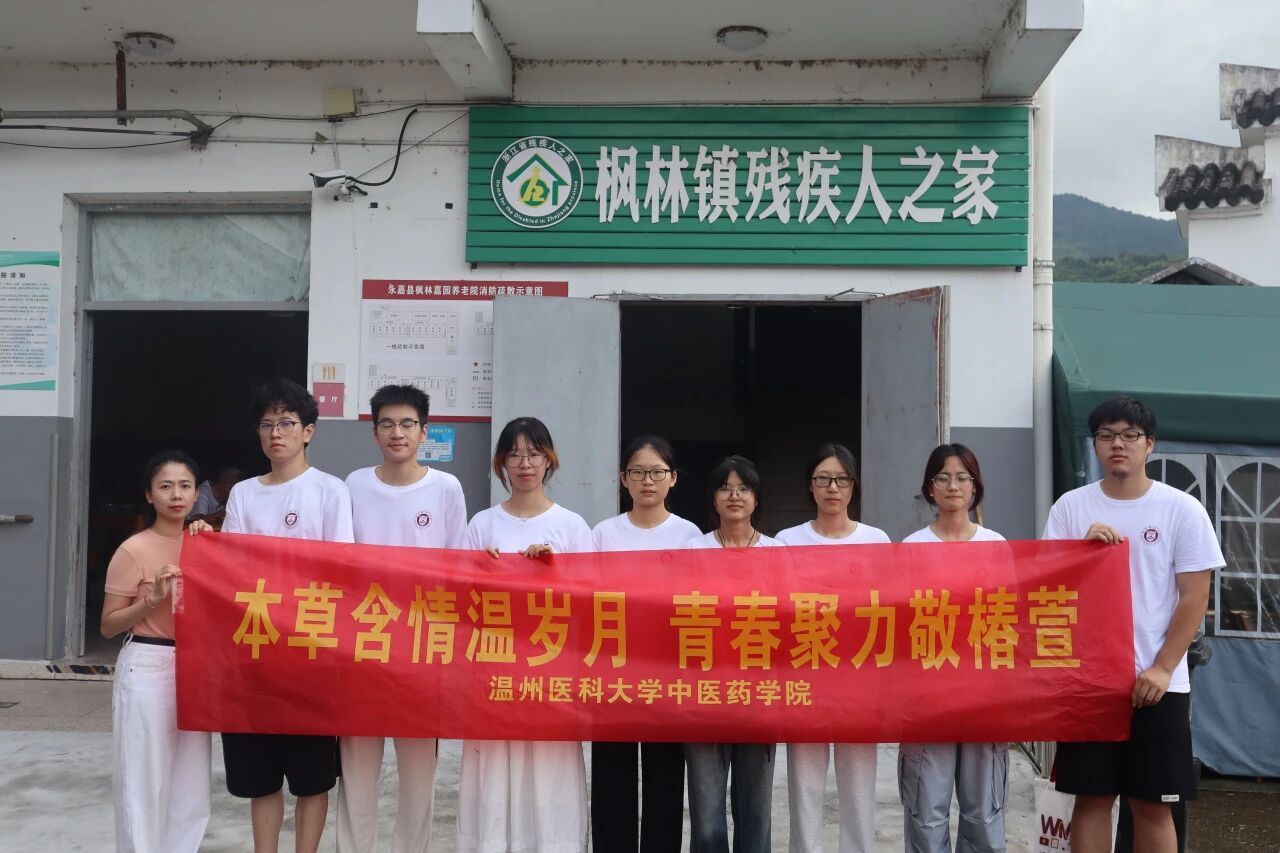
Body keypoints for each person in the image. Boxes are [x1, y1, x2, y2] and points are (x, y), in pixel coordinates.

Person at [1045, 396, 1222, 853]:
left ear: (1149, 444)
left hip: (1157, 682)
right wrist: (1080, 554)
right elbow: (1050, 590)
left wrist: (1163, 668)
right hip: (1088, 681)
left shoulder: (1181, 509)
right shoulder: (1070, 508)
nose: (1117, 444)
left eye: (1129, 435)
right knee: (1091, 800)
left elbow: (1194, 597)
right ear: (1095, 445)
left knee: (1153, 805)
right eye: (1106, 436)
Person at [220, 378, 354, 853]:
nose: (276, 433)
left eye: (286, 423)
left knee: (312, 775)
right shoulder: (243, 494)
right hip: (255, 651)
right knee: (261, 775)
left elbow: (339, 570)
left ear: (308, 431)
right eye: (266, 424)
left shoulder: (331, 491)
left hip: (310, 652)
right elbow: (232, 567)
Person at [338, 384, 467, 853]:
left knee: (418, 770)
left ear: (424, 431)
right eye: (388, 424)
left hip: (421, 646)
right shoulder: (353, 485)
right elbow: (339, 564)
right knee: (357, 765)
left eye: (408, 423)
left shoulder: (446, 488)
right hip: (362, 643)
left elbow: (458, 567)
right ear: (374, 433)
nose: (398, 433)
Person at [458, 416, 592, 853]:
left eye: (534, 454)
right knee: (495, 770)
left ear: (549, 460)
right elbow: (457, 603)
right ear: (501, 463)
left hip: (550, 671)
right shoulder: (481, 525)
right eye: (514, 455)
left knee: (550, 772)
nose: (524, 464)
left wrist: (555, 571)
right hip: (494, 670)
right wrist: (482, 569)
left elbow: (592, 603)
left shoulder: (571, 526)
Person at [776, 443, 890, 853]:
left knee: (858, 786)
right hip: (805, 675)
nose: (832, 488)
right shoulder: (787, 541)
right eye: (823, 479)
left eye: (841, 479)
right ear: (810, 486)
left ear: (853, 486)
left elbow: (889, 610)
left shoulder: (876, 541)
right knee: (804, 785)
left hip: (858, 678)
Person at [590, 435, 701, 853]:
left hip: (666, 674)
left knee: (665, 778)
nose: (647, 481)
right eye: (638, 472)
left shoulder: (689, 535)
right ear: (624, 479)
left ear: (673, 478)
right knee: (611, 777)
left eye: (656, 472)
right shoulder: (604, 533)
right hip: (613, 672)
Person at [101, 450, 214, 853]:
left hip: (195, 666)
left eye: (185, 486)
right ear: (150, 495)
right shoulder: (133, 550)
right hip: (148, 663)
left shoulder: (207, 544)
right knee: (144, 781)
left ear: (197, 493)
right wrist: (152, 600)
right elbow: (109, 625)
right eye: (165, 487)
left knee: (191, 784)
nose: (176, 495)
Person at [899, 443, 1008, 853]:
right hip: (928, 698)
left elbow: (1013, 619)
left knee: (984, 814)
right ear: (930, 488)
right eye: (942, 477)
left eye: (963, 477)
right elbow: (897, 622)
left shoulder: (996, 545)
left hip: (984, 697)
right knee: (926, 812)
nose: (952, 485)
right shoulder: (911, 547)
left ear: (975, 486)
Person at [684, 455, 780, 853]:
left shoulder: (778, 552)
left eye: (744, 488)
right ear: (714, 498)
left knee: (755, 812)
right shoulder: (693, 550)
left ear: (756, 498)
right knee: (707, 816)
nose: (734, 496)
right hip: (704, 696)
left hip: (760, 697)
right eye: (725, 488)